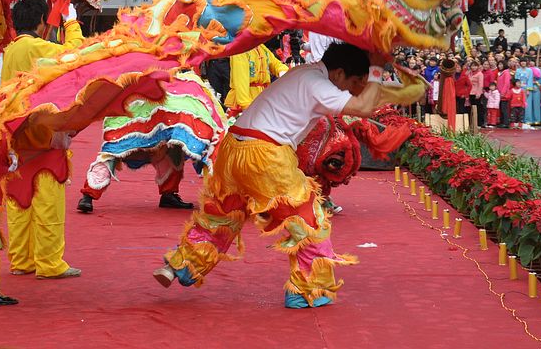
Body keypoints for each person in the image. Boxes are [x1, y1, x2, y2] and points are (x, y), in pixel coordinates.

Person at [153, 42, 397, 309]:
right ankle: (308, 290)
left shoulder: (304, 72)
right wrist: (375, 66)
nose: (352, 90)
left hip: (234, 148)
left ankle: (184, 264)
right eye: (353, 82)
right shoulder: (318, 82)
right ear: (338, 73)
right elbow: (363, 108)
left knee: (223, 215)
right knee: (308, 220)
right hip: (264, 154)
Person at [3, 0, 83, 280]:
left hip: (16, 133)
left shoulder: (11, 50)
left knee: (20, 200)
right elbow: (74, 55)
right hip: (41, 132)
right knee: (47, 199)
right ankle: (49, 262)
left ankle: (22, 259)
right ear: (40, 21)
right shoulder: (34, 47)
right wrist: (71, 23)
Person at [225, 44, 289, 114]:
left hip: (262, 96)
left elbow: (275, 63)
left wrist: (282, 70)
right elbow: (240, 79)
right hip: (246, 97)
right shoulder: (240, 50)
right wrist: (245, 104)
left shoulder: (261, 47)